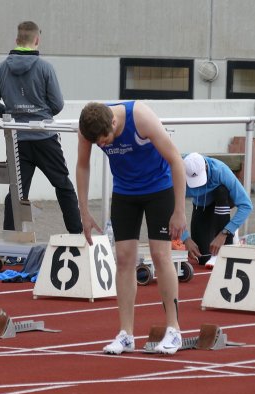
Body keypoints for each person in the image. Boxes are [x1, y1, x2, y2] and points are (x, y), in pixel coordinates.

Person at [77, 101, 187, 355]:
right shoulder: (87, 129)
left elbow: (175, 160)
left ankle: (174, 330)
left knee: (160, 256)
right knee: (124, 259)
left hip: (158, 189)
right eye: (98, 143)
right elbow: (82, 165)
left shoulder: (141, 117)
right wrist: (84, 212)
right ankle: (126, 334)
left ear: (114, 123)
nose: (103, 145)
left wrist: (179, 211)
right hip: (125, 192)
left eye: (105, 140)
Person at [0, 21, 82, 235]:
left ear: (16, 40)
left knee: (16, 191)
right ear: (37, 40)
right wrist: (40, 115)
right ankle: (77, 235)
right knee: (63, 185)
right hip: (45, 137)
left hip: (17, 140)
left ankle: (10, 239)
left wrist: (13, 116)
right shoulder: (45, 68)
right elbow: (57, 104)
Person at [181, 152, 253, 264]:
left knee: (221, 191)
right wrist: (185, 238)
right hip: (201, 205)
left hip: (223, 200)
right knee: (203, 258)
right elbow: (168, 210)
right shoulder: (175, 175)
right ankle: (223, 231)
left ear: (205, 167)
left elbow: (246, 205)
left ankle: (230, 232)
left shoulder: (220, 170)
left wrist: (224, 233)